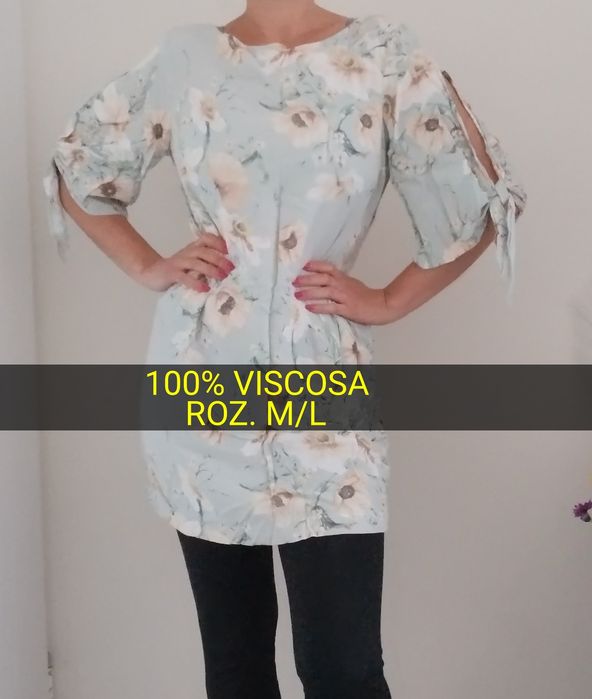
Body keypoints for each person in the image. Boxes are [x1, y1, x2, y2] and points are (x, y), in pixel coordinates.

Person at [42, 1, 527, 697]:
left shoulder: (384, 55)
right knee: (236, 665)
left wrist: (387, 300)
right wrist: (149, 265)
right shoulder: (185, 56)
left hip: (323, 385)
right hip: (204, 380)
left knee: (342, 670)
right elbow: (80, 162)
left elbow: (479, 200)